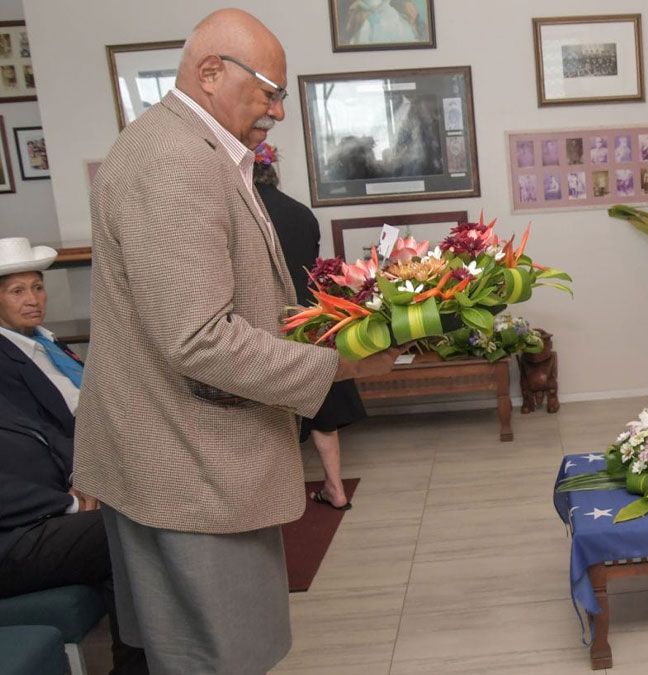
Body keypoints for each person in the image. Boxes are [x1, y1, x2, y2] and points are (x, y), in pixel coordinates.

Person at [75, 9, 400, 673]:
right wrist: (340, 362)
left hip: (172, 459)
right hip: (193, 470)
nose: (279, 110)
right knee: (219, 659)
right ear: (210, 73)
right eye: (270, 92)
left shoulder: (185, 147)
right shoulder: (177, 161)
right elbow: (199, 341)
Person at [0, 394, 148, 675]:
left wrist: (80, 477)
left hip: (41, 511)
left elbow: (45, 433)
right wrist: (70, 505)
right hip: (10, 537)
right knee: (121, 530)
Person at [254, 143, 364, 510]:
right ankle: (336, 488)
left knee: (265, 411)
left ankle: (268, 497)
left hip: (263, 320)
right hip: (310, 317)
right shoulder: (302, 214)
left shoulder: (244, 216)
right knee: (322, 407)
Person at [0, 237, 79, 437]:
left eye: (37, 288)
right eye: (17, 291)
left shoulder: (48, 341)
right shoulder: (4, 361)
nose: (32, 300)